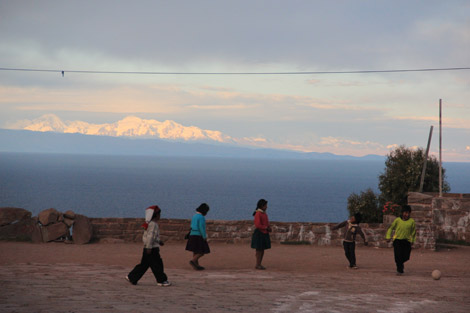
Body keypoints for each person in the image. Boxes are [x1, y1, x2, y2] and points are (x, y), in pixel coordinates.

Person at [126, 205, 171, 286]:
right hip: (152, 249)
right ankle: (161, 280)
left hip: (148, 247)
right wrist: (149, 247)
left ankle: (132, 277)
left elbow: (151, 236)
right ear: (156, 215)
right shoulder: (153, 224)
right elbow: (150, 236)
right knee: (157, 265)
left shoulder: (149, 224)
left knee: (144, 265)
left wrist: (158, 241)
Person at [386, 205, 416, 275]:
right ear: (402, 213)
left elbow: (413, 232)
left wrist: (412, 241)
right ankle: (399, 270)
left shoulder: (412, 221)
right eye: (405, 213)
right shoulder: (397, 220)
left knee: (406, 257)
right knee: (398, 256)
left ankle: (400, 263)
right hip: (397, 241)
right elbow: (391, 228)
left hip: (407, 241)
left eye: (408, 213)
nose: (406, 215)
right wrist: (388, 236)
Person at [186, 203, 211, 270]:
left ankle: (196, 265)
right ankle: (193, 261)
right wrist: (204, 236)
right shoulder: (201, 217)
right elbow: (201, 227)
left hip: (192, 235)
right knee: (202, 251)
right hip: (198, 235)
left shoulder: (194, 216)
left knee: (195, 250)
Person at [251, 199, 271, 270]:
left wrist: (268, 227)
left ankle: (259, 264)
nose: (267, 207)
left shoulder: (263, 213)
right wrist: (266, 227)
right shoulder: (258, 213)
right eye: (265, 205)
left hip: (264, 232)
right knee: (259, 250)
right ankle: (258, 264)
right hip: (260, 233)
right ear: (262, 206)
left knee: (262, 249)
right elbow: (258, 225)